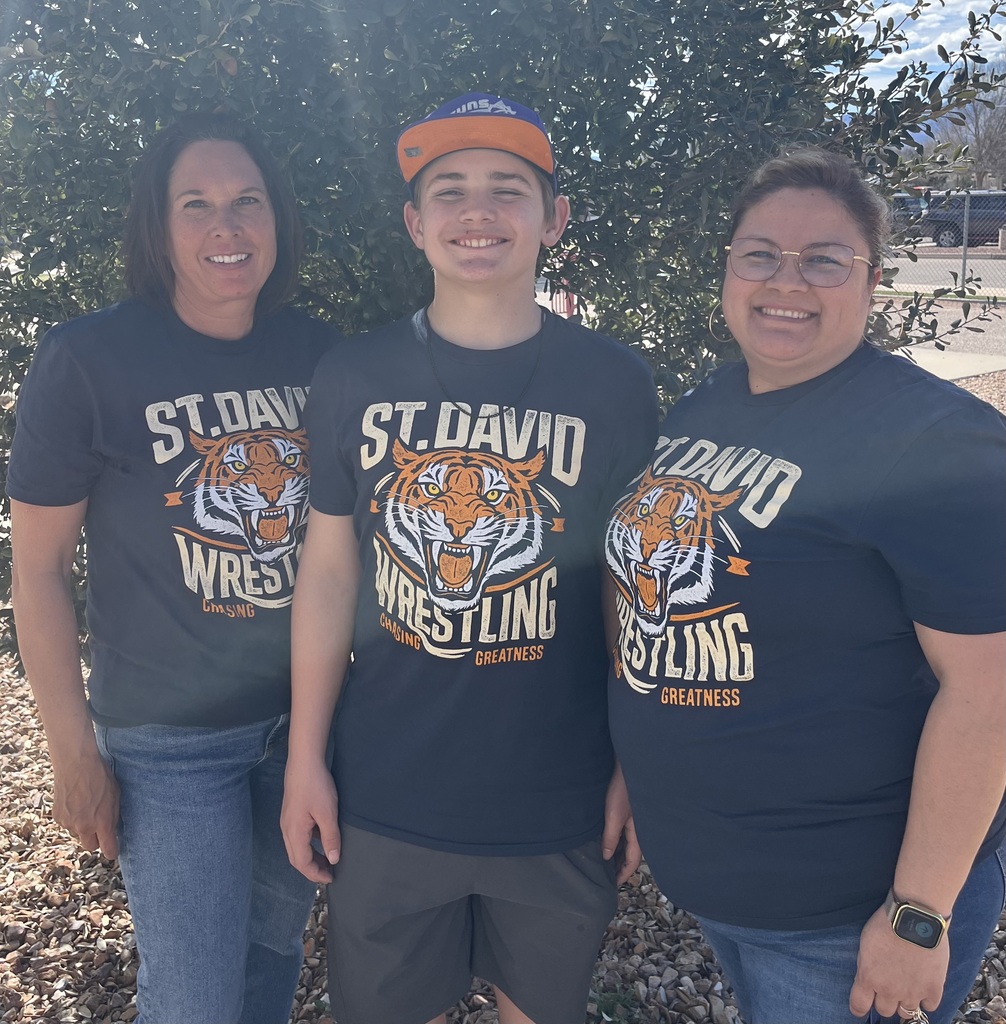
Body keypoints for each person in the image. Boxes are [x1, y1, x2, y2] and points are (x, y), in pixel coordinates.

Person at [280, 92, 659, 1024]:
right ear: (415, 223)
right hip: (388, 787)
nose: (477, 212)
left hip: (559, 793)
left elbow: (631, 590)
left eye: (508, 189)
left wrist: (638, 762)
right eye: (449, 190)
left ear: (553, 219)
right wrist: (305, 757)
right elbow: (328, 576)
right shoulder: (354, 376)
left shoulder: (615, 381)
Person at [604, 147, 1006, 1024]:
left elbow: (988, 693)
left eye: (825, 259)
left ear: (870, 281)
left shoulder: (937, 443)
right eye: (760, 254)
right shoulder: (708, 404)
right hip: (723, 884)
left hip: (847, 912)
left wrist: (918, 917)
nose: (787, 280)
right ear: (728, 269)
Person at [7, 113, 340, 1024]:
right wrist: (72, 752)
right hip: (169, 747)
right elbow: (36, 573)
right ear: (157, 227)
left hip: (301, 728)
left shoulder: (322, 358)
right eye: (195, 205)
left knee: (268, 969)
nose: (225, 228)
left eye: (246, 202)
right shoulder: (87, 359)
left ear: (278, 221)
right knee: (192, 1000)